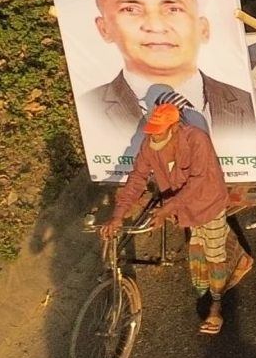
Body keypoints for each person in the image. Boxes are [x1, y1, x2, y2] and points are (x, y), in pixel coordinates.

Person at [76, 0, 256, 142]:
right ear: (104, 28)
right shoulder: (90, 107)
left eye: (173, 10)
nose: (156, 26)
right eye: (131, 10)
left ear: (203, 28)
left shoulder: (250, 102)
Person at [103, 101, 248, 332]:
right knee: (198, 247)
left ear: (174, 128)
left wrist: (166, 209)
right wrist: (118, 215)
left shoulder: (196, 139)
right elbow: (137, 178)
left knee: (213, 253)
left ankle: (216, 306)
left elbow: (197, 182)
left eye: (159, 132)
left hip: (208, 203)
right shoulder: (150, 146)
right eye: (151, 132)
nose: (153, 136)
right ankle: (226, 268)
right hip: (183, 210)